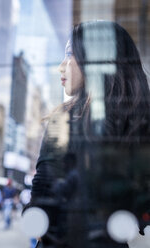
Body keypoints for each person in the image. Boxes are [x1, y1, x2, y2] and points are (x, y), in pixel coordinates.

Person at [23, 21, 150, 248]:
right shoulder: (64, 120)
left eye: (70, 54)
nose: (61, 66)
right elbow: (41, 196)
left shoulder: (136, 126)